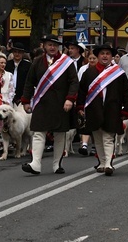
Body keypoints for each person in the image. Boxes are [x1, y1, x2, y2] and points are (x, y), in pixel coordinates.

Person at [21, 35, 79, 175]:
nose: (52, 47)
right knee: (38, 133)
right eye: (49, 45)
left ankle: (56, 165)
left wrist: (70, 99)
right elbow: (29, 82)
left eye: (54, 45)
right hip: (42, 102)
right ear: (44, 46)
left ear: (58, 46)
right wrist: (26, 100)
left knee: (59, 134)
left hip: (61, 103)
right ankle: (35, 164)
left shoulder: (67, 62)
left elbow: (74, 82)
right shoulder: (37, 62)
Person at [77, 43, 128, 176]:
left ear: (112, 56)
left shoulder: (118, 73)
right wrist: (80, 106)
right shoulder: (89, 72)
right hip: (93, 108)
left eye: (108, 54)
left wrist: (127, 109)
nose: (105, 56)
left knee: (108, 137)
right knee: (97, 137)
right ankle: (102, 162)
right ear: (97, 56)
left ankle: (109, 163)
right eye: (102, 54)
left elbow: (126, 93)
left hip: (112, 108)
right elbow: (81, 91)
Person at [77, 51, 98, 156]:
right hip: (86, 99)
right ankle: (84, 144)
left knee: (95, 123)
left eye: (94, 58)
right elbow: (80, 85)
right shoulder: (83, 69)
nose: (92, 60)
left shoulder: (101, 70)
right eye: (90, 58)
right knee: (86, 122)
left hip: (97, 100)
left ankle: (95, 146)